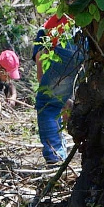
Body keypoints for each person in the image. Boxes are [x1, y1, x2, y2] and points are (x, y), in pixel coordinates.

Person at [31, 15, 85, 165]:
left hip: (70, 43)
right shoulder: (73, 14)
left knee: (48, 106)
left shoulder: (44, 31)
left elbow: (40, 56)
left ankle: (55, 156)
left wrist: (48, 90)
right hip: (94, 40)